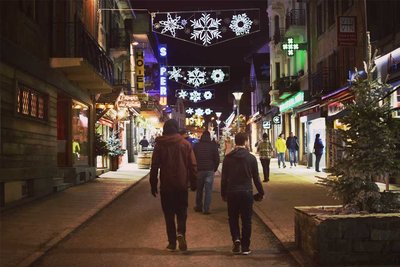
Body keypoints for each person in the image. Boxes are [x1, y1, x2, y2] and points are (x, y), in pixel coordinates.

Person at [150, 119, 197, 252]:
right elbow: (193, 165)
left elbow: (154, 166)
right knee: (182, 212)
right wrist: (194, 183)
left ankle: (171, 243)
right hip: (181, 185)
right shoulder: (185, 144)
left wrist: (153, 183)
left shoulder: (160, 145)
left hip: (166, 185)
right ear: (176, 129)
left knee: (168, 214)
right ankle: (181, 232)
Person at [221, 132, 264, 255]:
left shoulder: (228, 158)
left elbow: (224, 178)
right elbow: (256, 178)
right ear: (246, 141)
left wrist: (223, 194)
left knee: (233, 218)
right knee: (246, 220)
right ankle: (245, 247)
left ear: (235, 142)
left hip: (232, 191)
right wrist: (261, 192)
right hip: (246, 191)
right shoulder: (251, 158)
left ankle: (236, 239)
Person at [193, 130, 220, 214]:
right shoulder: (213, 146)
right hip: (209, 170)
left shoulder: (196, 146)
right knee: (208, 190)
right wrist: (214, 168)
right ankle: (206, 209)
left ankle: (198, 206)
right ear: (209, 137)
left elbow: (193, 158)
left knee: (199, 189)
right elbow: (217, 159)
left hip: (200, 170)